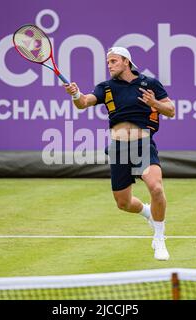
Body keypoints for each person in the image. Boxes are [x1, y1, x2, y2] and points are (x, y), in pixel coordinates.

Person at [64, 47, 175, 260]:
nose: (110, 65)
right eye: (108, 62)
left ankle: (159, 239)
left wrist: (154, 104)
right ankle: (147, 212)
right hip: (118, 147)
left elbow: (171, 110)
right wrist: (76, 94)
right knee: (123, 203)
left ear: (126, 61)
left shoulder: (150, 83)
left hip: (143, 143)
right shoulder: (106, 87)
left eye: (114, 61)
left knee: (156, 187)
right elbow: (84, 103)